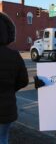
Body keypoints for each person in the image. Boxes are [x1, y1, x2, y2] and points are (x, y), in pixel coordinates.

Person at [0, 12, 29, 144]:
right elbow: (24, 81)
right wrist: (10, 89)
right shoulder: (14, 55)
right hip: (7, 111)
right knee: (3, 138)